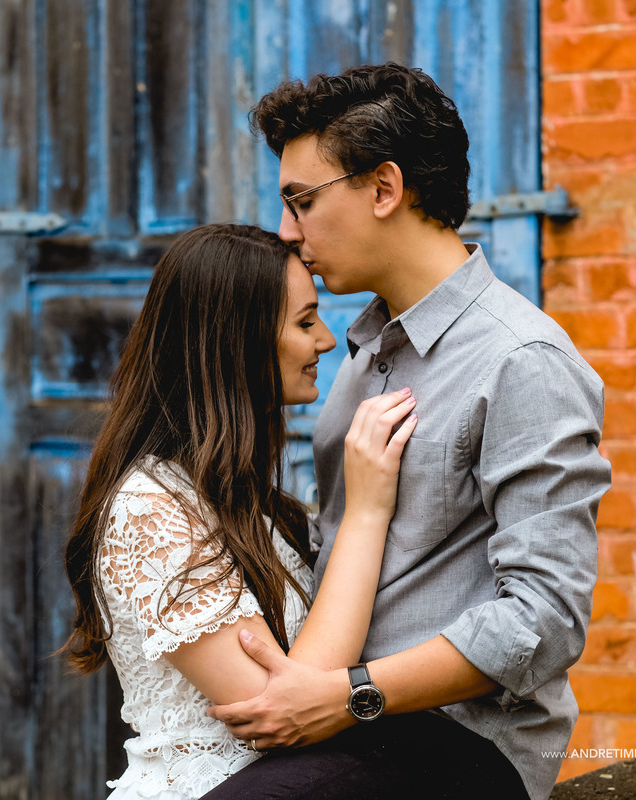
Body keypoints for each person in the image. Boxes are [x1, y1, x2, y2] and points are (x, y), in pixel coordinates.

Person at [202, 64, 612, 800]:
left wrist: (350, 694)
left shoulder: (522, 361)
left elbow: (546, 619)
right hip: (351, 732)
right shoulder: (364, 355)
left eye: (301, 201)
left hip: (462, 743)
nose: (288, 232)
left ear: (384, 189)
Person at [63, 223, 420, 799]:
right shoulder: (150, 510)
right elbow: (283, 715)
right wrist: (366, 512)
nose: (327, 341)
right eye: (305, 322)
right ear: (238, 341)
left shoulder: (255, 503)